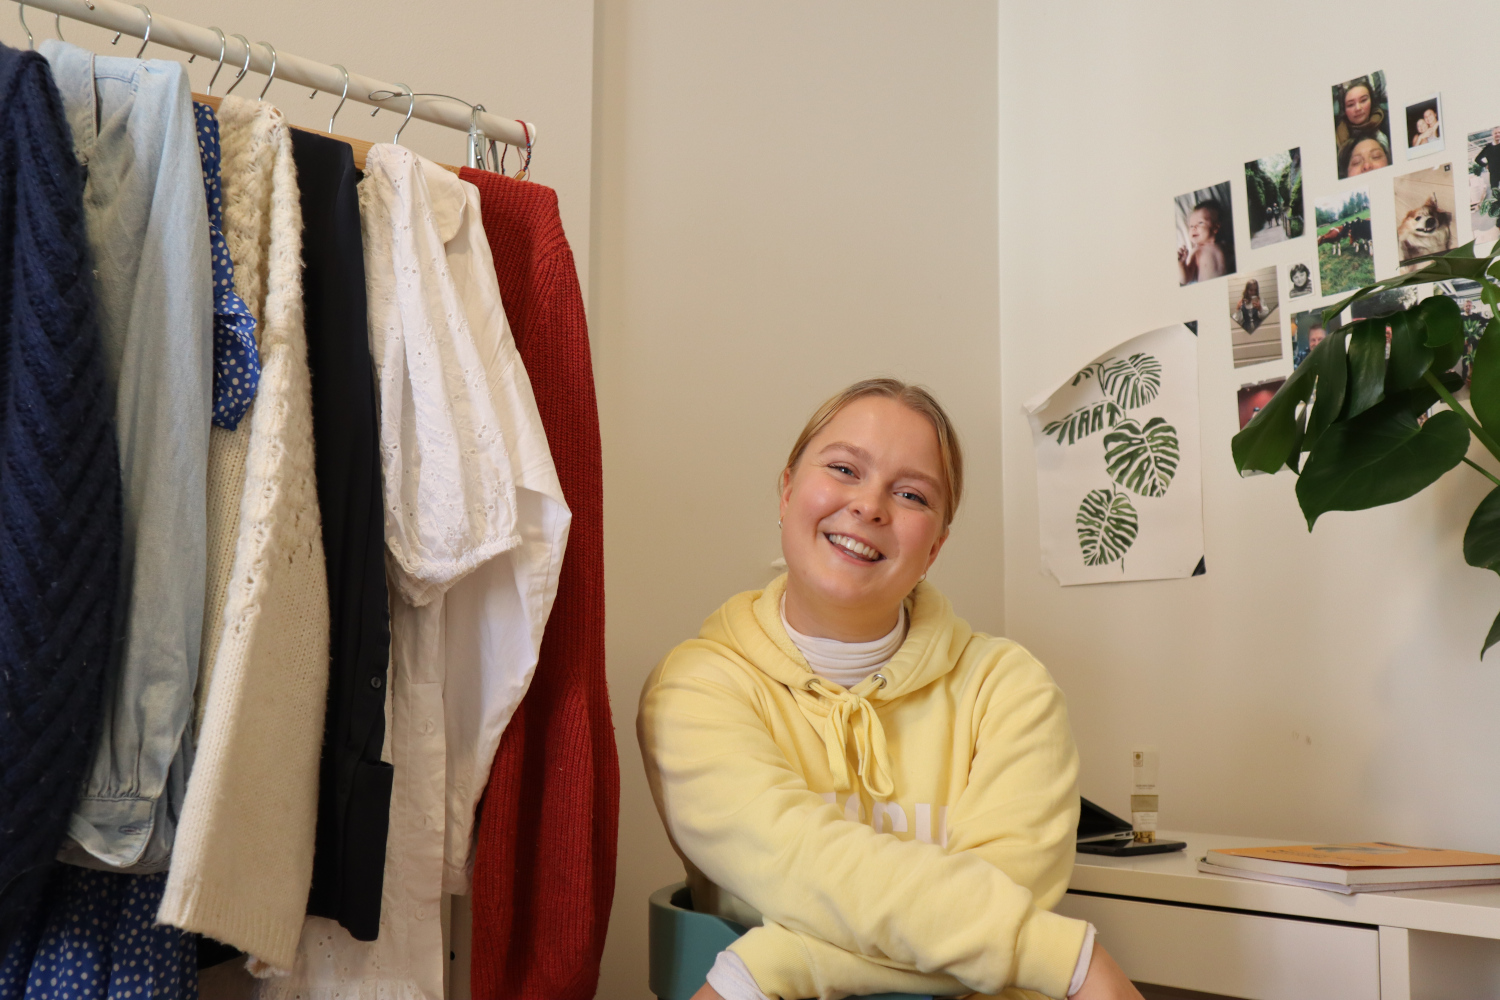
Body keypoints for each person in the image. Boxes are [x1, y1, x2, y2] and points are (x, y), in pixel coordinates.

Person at [639, 379, 1146, 1000]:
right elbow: (803, 869)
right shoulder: (695, 686)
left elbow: (1004, 910)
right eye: (844, 469)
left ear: (934, 548)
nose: (870, 506)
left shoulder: (1010, 689)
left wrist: (774, 965)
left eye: (911, 494)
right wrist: (1064, 958)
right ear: (787, 491)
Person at [1176, 200, 1228, 284]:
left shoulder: (1224, 245)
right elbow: (1184, 280)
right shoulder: (1197, 251)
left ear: (1215, 227)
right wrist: (1181, 264)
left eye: (1200, 223)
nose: (1194, 228)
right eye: (1191, 226)